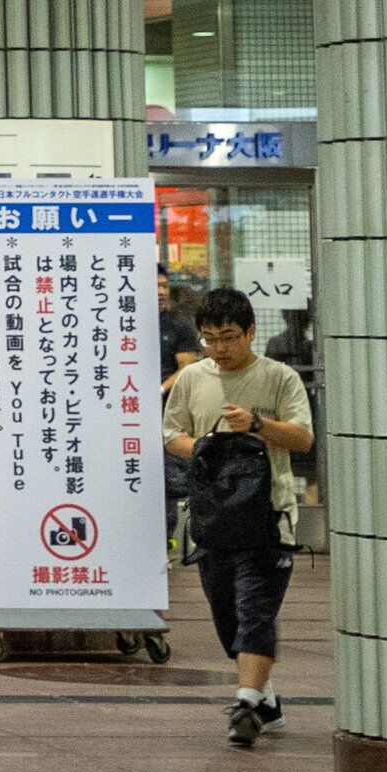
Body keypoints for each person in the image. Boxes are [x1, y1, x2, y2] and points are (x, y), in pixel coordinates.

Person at [166, 286, 313, 747]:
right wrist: (206, 449)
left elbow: (304, 439)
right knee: (227, 616)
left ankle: (245, 702)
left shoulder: (279, 377)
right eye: (210, 338)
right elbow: (172, 433)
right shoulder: (192, 379)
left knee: (256, 609)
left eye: (229, 337)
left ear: (251, 331)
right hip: (213, 518)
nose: (220, 349)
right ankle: (265, 700)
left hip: (269, 517)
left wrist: (257, 426)